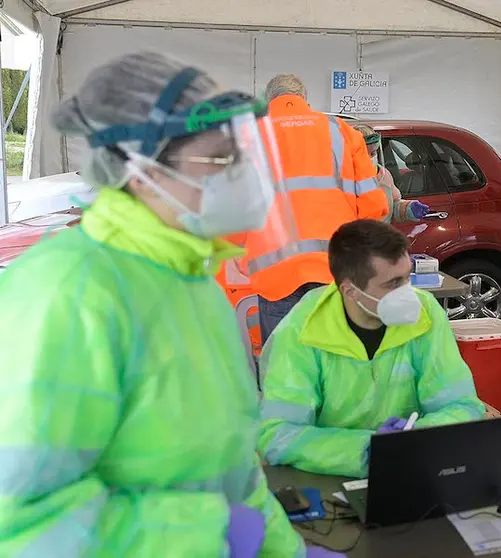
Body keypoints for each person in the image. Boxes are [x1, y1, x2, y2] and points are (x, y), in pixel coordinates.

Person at [0, 52, 342, 558]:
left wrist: (279, 547)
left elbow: (234, 469)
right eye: (218, 160)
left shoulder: (195, 283)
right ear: (141, 172)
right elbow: (25, 523)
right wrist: (212, 534)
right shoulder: (70, 294)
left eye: (239, 157)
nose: (242, 177)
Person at [259, 219, 485, 478]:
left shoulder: (425, 314)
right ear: (349, 290)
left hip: (412, 468)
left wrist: (415, 436)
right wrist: (367, 451)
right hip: (329, 478)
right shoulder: (302, 330)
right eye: (393, 283)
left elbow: (462, 405)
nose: (408, 293)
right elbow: (277, 434)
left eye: (407, 277)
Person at [234, 74, 389, 344]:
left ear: (269, 101)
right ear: (303, 99)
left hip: (275, 273)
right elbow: (374, 206)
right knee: (334, 365)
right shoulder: (341, 132)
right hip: (334, 270)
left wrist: (238, 250)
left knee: (284, 370)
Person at [353, 123, 430, 223]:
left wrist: (407, 209)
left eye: (373, 153)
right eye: (362, 154)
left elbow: (393, 206)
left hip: (378, 236)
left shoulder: (383, 176)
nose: (369, 158)